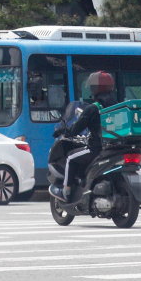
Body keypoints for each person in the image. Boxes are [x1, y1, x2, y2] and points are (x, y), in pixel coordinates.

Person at [49, 71, 117, 202]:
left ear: (94, 88)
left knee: (70, 158)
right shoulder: (117, 106)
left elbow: (75, 130)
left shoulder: (93, 108)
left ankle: (66, 191)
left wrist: (63, 130)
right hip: (114, 148)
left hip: (97, 149)